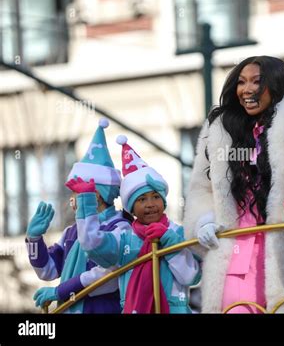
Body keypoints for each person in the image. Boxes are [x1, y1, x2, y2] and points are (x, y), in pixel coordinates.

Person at [183, 55, 284, 313]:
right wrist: (203, 220)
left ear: (275, 84)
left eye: (257, 82)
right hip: (236, 256)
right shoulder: (221, 131)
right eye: (241, 82)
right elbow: (201, 189)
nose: (246, 89)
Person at [72, 135, 201, 313]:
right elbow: (91, 244)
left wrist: (169, 241)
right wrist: (86, 202)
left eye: (156, 197)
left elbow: (190, 277)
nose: (150, 204)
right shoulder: (124, 237)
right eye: (141, 199)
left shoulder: (178, 232)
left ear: (164, 201)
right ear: (131, 208)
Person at [26, 118, 123, 313]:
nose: (74, 200)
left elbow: (108, 275)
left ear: (96, 195)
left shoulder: (120, 227)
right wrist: (34, 240)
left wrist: (61, 291)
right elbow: (48, 270)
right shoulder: (71, 232)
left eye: (78, 193)